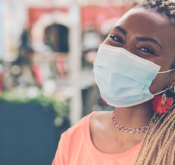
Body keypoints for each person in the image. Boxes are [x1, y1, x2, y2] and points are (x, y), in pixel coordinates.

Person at [52, 0, 175, 164]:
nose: (121, 54)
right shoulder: (76, 136)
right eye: (116, 38)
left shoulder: (169, 148)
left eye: (145, 49)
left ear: (172, 77)